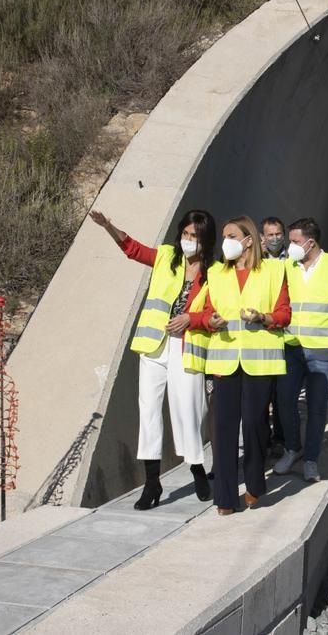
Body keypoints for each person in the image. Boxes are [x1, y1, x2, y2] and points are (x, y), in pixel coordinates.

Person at [90, 208, 216, 510]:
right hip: (153, 346)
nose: (188, 240)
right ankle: (152, 483)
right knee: (148, 413)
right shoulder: (165, 257)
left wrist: (190, 318)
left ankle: (197, 469)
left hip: (185, 348)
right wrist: (109, 225)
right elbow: (132, 249)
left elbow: (214, 314)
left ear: (205, 240)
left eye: (194, 236)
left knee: (188, 410)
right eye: (185, 234)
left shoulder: (215, 273)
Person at [198, 216, 291, 515]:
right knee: (222, 428)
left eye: (231, 235)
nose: (225, 241)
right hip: (225, 358)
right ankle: (224, 497)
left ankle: (254, 483)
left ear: (248, 240)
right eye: (224, 236)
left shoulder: (274, 271)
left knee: (254, 424)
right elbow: (207, 311)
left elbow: (284, 313)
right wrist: (210, 321)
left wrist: (262, 318)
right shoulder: (215, 273)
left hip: (259, 361)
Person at [273, 218, 328, 483]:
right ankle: (292, 448)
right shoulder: (287, 265)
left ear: (311, 242)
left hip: (322, 350)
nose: (290, 246)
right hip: (292, 347)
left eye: (295, 241)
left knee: (317, 407)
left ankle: (311, 458)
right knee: (285, 402)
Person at [260, 216, 288, 454]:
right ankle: (263, 437)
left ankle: (280, 438)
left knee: (281, 393)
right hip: (262, 334)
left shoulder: (292, 260)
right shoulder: (254, 261)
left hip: (286, 332)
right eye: (270, 235)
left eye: (278, 234)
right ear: (262, 237)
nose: (275, 238)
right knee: (263, 392)